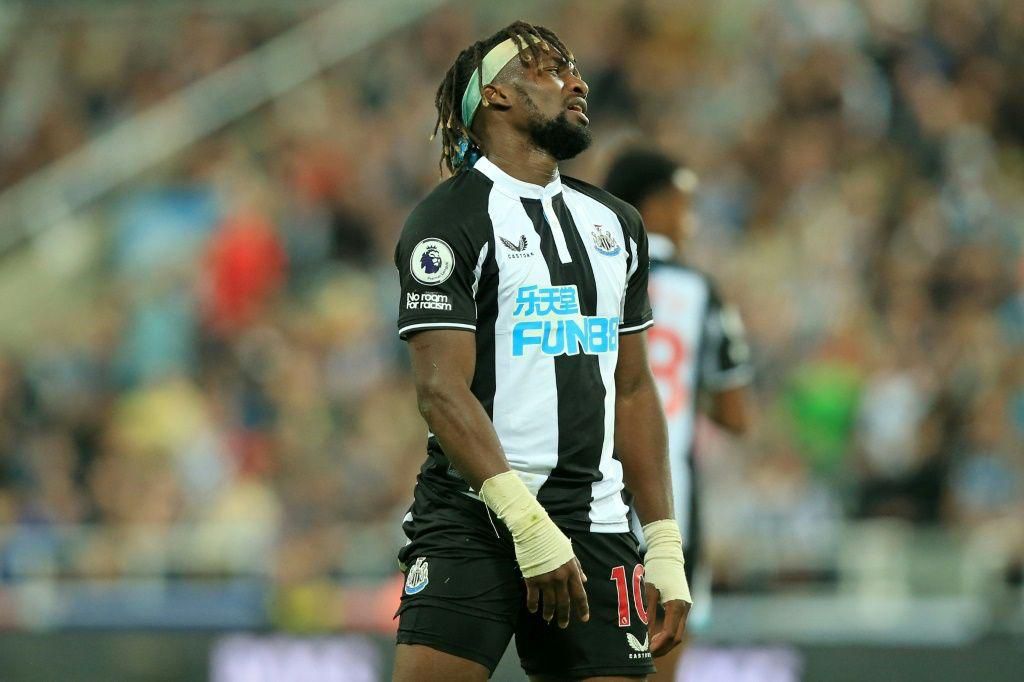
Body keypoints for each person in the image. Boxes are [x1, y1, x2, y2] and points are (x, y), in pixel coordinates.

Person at [392, 21, 691, 682]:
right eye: (549, 69)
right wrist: (527, 525)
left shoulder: (616, 224)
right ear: (495, 95)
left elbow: (636, 388)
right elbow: (442, 389)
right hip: (477, 519)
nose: (576, 81)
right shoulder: (446, 222)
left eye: (574, 69)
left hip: (595, 523)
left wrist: (663, 541)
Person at [605, 149, 754, 681]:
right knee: (660, 663)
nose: (691, 220)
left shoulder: (589, 276)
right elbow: (736, 414)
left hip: (590, 498)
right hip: (672, 504)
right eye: (685, 205)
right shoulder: (700, 289)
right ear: (661, 204)